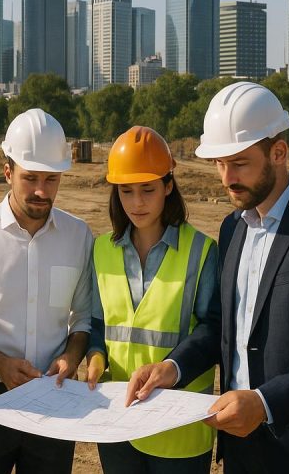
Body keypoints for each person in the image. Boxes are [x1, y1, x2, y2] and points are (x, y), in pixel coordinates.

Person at [126, 82, 289, 473]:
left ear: (278, 152)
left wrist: (264, 403)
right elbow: (224, 327)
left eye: (239, 163)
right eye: (219, 163)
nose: (227, 177)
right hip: (246, 449)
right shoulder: (233, 228)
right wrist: (173, 367)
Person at [0, 108, 92, 473]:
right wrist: (1, 365)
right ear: (8, 171)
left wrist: (71, 359)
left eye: (51, 179)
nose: (42, 191)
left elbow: (83, 318)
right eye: (31, 178)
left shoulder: (79, 237)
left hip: (54, 399)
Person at [86, 125, 218, 473]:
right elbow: (98, 323)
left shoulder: (201, 251)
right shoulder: (101, 250)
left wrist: (172, 369)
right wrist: (96, 356)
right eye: (126, 191)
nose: (137, 203)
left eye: (147, 190)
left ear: (168, 186)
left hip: (178, 427)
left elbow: (213, 329)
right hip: (118, 421)